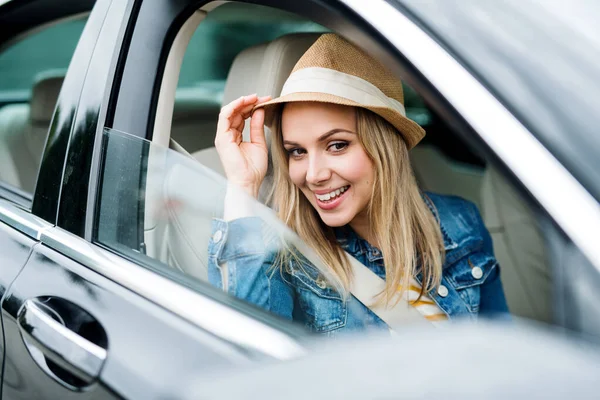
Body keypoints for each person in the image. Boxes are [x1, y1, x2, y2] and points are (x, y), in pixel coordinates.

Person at [208, 33, 508, 334]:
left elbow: (501, 352)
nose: (313, 175)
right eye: (297, 151)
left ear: (385, 147)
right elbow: (248, 347)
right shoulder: (286, 255)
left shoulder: (460, 224)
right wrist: (242, 185)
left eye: (336, 145)